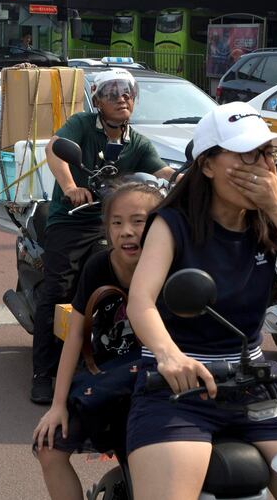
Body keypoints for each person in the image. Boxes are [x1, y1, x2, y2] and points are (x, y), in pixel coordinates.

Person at [124, 102, 277, 500]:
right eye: (246, 154)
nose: (260, 166)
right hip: (179, 389)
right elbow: (141, 301)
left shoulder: (267, 223)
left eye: (267, 154)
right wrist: (170, 356)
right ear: (207, 165)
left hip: (253, 386)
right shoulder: (173, 223)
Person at [31, 68, 178, 404]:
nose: (121, 98)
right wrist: (70, 187)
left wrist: (185, 180)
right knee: (58, 290)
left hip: (113, 221)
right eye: (112, 93)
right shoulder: (82, 125)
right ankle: (42, 372)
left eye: (127, 92)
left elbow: (161, 170)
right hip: (71, 219)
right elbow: (55, 149)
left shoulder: (136, 141)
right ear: (96, 100)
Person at [32, 181, 163, 500]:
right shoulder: (97, 267)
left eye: (139, 221)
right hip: (104, 382)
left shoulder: (172, 268)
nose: (127, 231)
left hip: (157, 385)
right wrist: (57, 405)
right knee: (48, 447)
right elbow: (75, 335)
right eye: (116, 222)